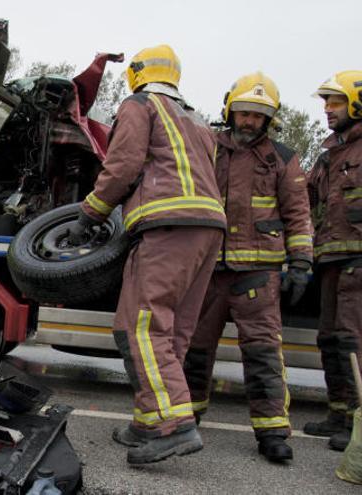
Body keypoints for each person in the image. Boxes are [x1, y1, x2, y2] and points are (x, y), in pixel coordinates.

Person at [69, 45, 225, 464]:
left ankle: (175, 426)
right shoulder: (196, 118)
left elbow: (123, 164)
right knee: (171, 332)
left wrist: (92, 210)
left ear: (137, 73)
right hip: (208, 229)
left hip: (166, 225)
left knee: (139, 327)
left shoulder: (140, 104)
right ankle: (147, 421)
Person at [181, 73, 313, 462]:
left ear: (269, 119)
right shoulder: (208, 146)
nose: (250, 121)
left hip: (259, 271)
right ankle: (186, 419)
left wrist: (302, 261)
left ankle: (272, 432)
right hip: (209, 269)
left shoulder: (283, 158)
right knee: (194, 349)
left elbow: (298, 214)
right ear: (230, 110)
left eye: (258, 115)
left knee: (263, 354)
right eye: (244, 112)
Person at [304, 70, 362, 452]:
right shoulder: (329, 156)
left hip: (359, 257)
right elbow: (304, 198)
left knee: (352, 341)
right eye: (325, 101)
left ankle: (358, 426)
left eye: (335, 101)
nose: (327, 109)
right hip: (330, 258)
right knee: (330, 338)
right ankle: (338, 413)